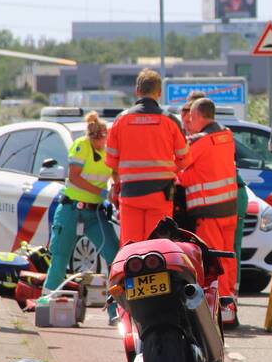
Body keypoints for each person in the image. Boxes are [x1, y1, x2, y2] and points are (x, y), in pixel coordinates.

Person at [43, 112, 119, 321]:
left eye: (104, 140)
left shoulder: (108, 149)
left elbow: (115, 173)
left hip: (94, 212)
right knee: (60, 256)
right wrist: (101, 192)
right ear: (94, 136)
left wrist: (116, 191)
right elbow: (74, 177)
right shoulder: (81, 145)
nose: (102, 143)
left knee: (115, 256)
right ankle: (47, 304)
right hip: (72, 209)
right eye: (99, 140)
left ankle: (116, 311)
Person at [105, 69, 188, 246]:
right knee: (158, 248)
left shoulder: (121, 120)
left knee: (131, 248)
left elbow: (111, 162)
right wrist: (168, 170)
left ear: (137, 91)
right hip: (161, 194)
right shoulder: (170, 121)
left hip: (130, 195)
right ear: (159, 93)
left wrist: (117, 183)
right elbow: (184, 159)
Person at [178, 97, 240, 325]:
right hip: (229, 210)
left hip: (209, 211)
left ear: (200, 116)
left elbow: (180, 164)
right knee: (228, 258)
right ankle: (229, 305)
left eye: (191, 117)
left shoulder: (200, 143)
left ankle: (218, 311)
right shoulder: (227, 136)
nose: (189, 121)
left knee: (213, 261)